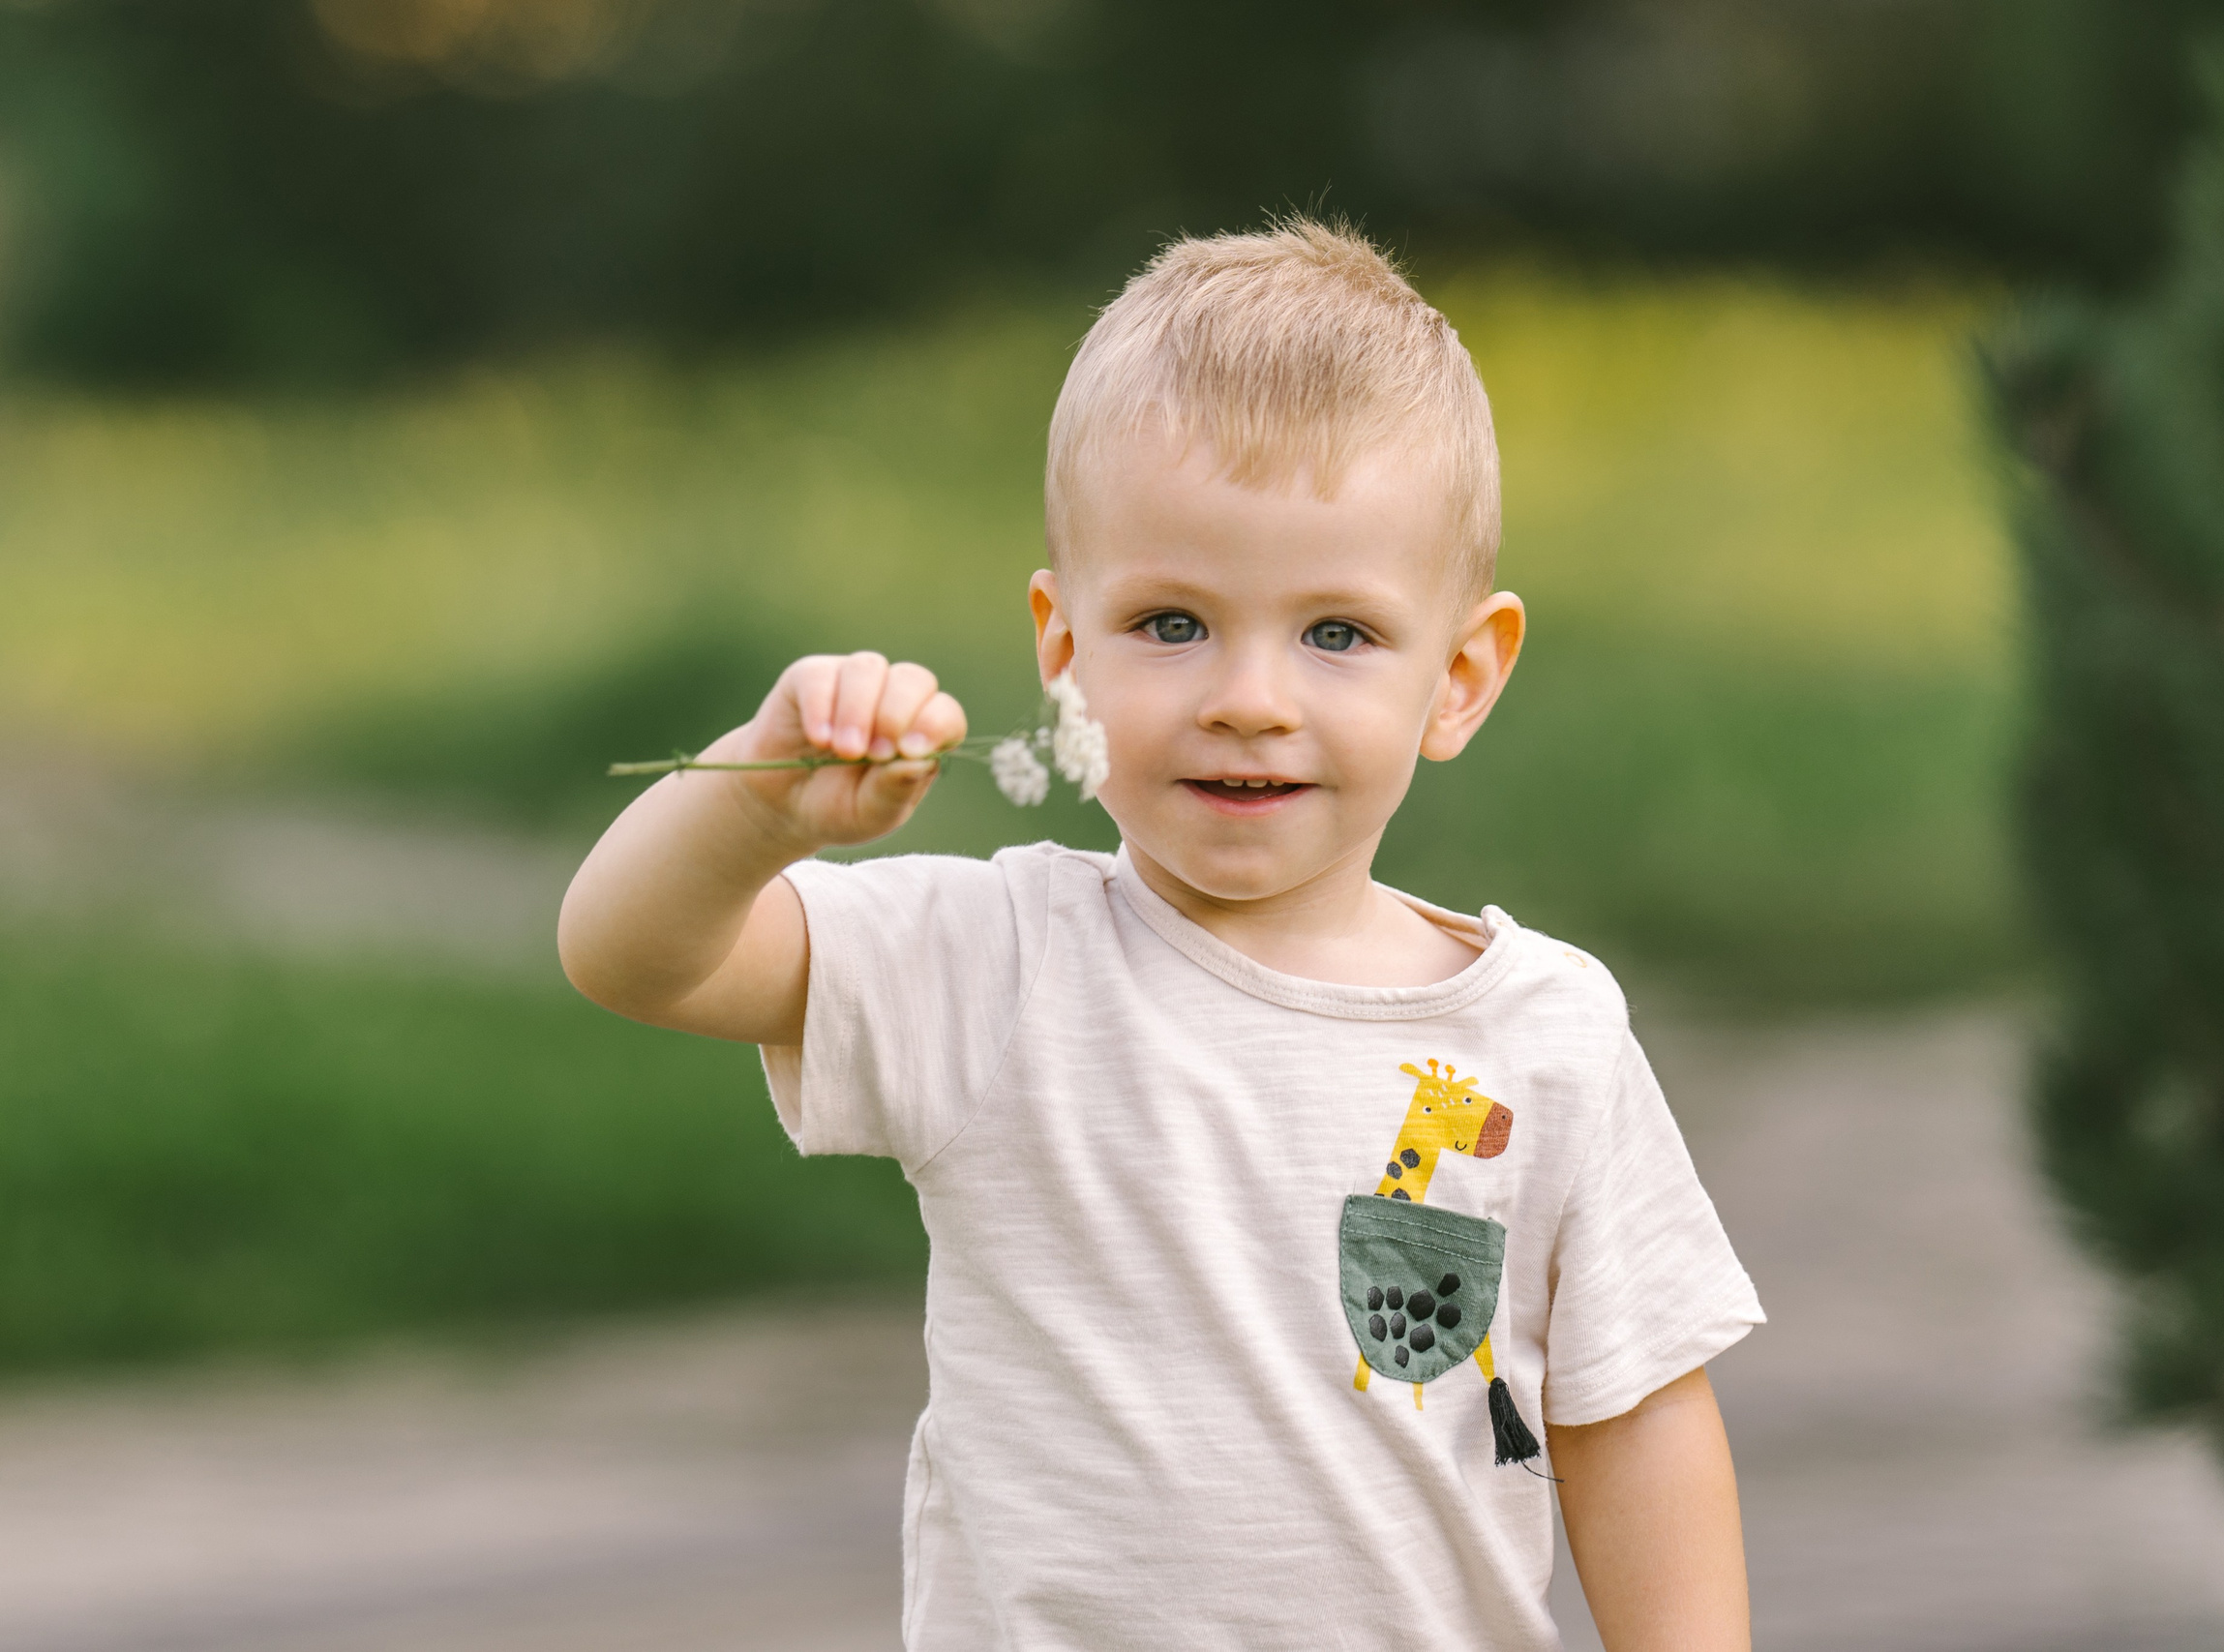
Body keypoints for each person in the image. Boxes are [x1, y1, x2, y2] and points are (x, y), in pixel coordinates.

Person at [558, 219, 1763, 1651]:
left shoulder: (1542, 1033)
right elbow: (633, 955)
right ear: (1065, 651)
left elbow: (1630, 1422)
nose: (1249, 697)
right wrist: (759, 801)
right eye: (1175, 622)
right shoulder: (999, 960)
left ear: (1460, 677)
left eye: (1336, 635)